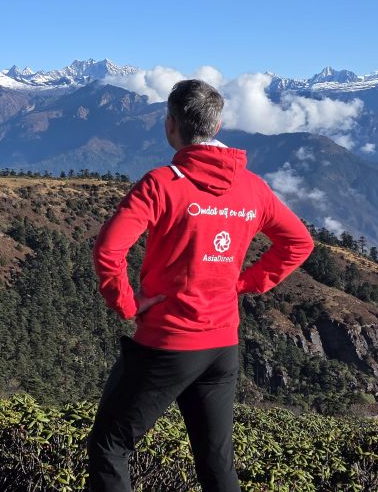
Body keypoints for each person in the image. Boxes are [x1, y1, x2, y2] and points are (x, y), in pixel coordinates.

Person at [88, 79, 314, 492]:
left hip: (166, 343)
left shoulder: (162, 183)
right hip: (222, 346)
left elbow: (107, 249)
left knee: (110, 447)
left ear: (171, 125)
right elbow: (299, 243)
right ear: (218, 124)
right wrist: (244, 283)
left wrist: (126, 303)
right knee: (215, 461)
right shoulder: (253, 187)